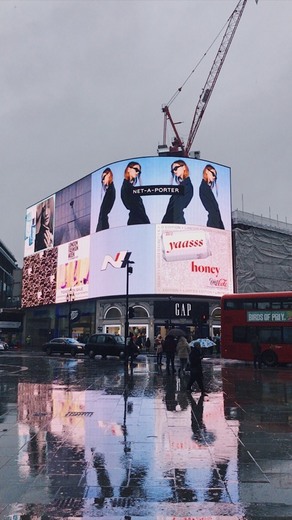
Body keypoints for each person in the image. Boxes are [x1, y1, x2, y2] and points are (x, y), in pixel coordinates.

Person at [161, 160, 194, 224]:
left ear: (184, 167)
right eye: (172, 170)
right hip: (170, 222)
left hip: (175, 222)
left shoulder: (187, 185)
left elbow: (178, 207)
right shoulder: (182, 185)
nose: (174, 171)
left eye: (176, 168)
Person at [199, 164, 224, 229]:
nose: (214, 177)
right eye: (213, 174)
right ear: (206, 171)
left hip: (215, 225)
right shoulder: (204, 187)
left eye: (215, 176)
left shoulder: (206, 188)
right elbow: (213, 211)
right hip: (214, 226)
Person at [96, 168, 116, 232]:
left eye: (104, 177)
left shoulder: (111, 190)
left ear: (109, 174)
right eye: (102, 179)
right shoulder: (109, 190)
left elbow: (104, 212)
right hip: (102, 225)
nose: (103, 180)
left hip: (103, 226)